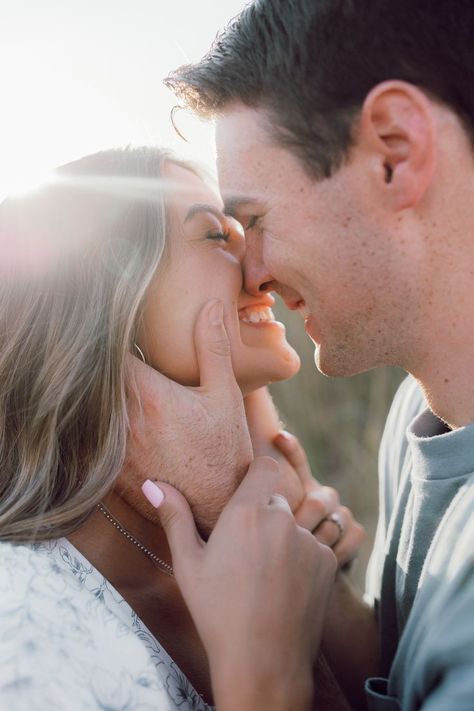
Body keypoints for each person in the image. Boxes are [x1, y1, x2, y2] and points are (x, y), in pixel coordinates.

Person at [150, 0, 474, 709]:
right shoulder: (420, 411)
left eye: (255, 220)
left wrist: (261, 681)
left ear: (395, 151)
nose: (252, 270)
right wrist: (319, 598)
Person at [0, 146, 362, 710]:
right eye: (217, 236)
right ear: (107, 303)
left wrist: (312, 568)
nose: (263, 271)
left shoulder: (261, 536)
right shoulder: (19, 616)